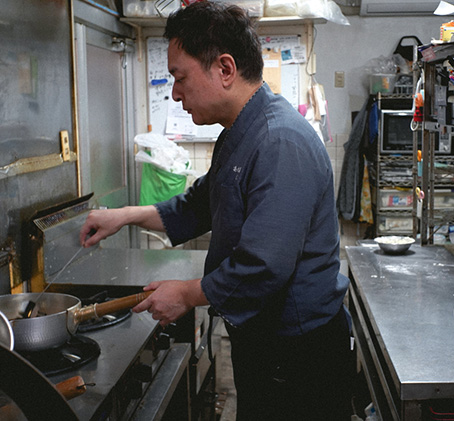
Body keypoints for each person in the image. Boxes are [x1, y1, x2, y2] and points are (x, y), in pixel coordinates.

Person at [79, 2, 354, 419]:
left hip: (298, 354)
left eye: (180, 77)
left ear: (225, 69)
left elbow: (264, 265)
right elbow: (197, 205)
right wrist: (124, 216)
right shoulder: (237, 134)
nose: (175, 92)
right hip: (267, 347)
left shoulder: (279, 141)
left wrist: (188, 294)